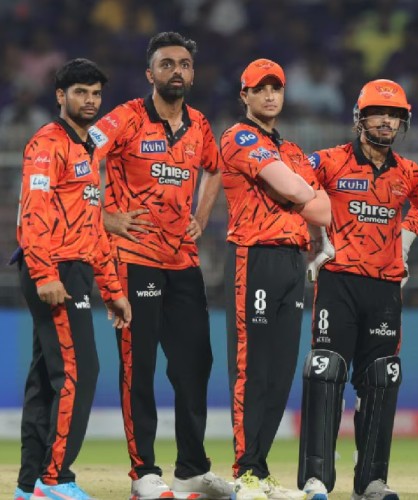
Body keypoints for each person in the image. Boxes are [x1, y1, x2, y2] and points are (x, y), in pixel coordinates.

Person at [88, 32, 232, 500]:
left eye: (184, 64)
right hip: (133, 260)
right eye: (167, 64)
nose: (177, 71)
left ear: (193, 74)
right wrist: (103, 215)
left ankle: (191, 470)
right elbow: (81, 152)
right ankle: (143, 473)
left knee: (195, 363)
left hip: (183, 261)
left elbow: (215, 168)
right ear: (150, 73)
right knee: (140, 365)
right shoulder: (125, 117)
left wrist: (202, 216)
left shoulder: (199, 124)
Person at [299, 78, 418, 500]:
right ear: (360, 118)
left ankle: (371, 481)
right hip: (338, 281)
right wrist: (315, 241)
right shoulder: (329, 161)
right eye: (379, 113)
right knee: (325, 371)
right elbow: (294, 186)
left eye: (394, 115)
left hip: (385, 288)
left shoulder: (409, 172)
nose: (387, 121)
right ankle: (317, 478)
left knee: (382, 378)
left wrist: (404, 243)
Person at [14, 58, 132, 500]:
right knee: (79, 371)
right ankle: (55, 477)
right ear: (61, 96)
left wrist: (112, 290)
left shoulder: (89, 149)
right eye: (81, 92)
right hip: (54, 269)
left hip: (75, 268)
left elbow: (92, 226)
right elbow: (33, 213)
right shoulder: (47, 143)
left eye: (96, 93)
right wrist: (45, 273)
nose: (90, 101)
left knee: (47, 379)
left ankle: (29, 484)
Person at [219, 58, 331, 500]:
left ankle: (260, 471)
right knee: (253, 368)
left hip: (292, 260)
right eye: (260, 88)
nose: (269, 95)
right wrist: (300, 193)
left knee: (282, 370)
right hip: (255, 256)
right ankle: (245, 471)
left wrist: (298, 192)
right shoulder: (238, 136)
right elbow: (298, 191)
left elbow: (323, 210)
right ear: (244, 95)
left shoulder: (293, 150)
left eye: (276, 88)